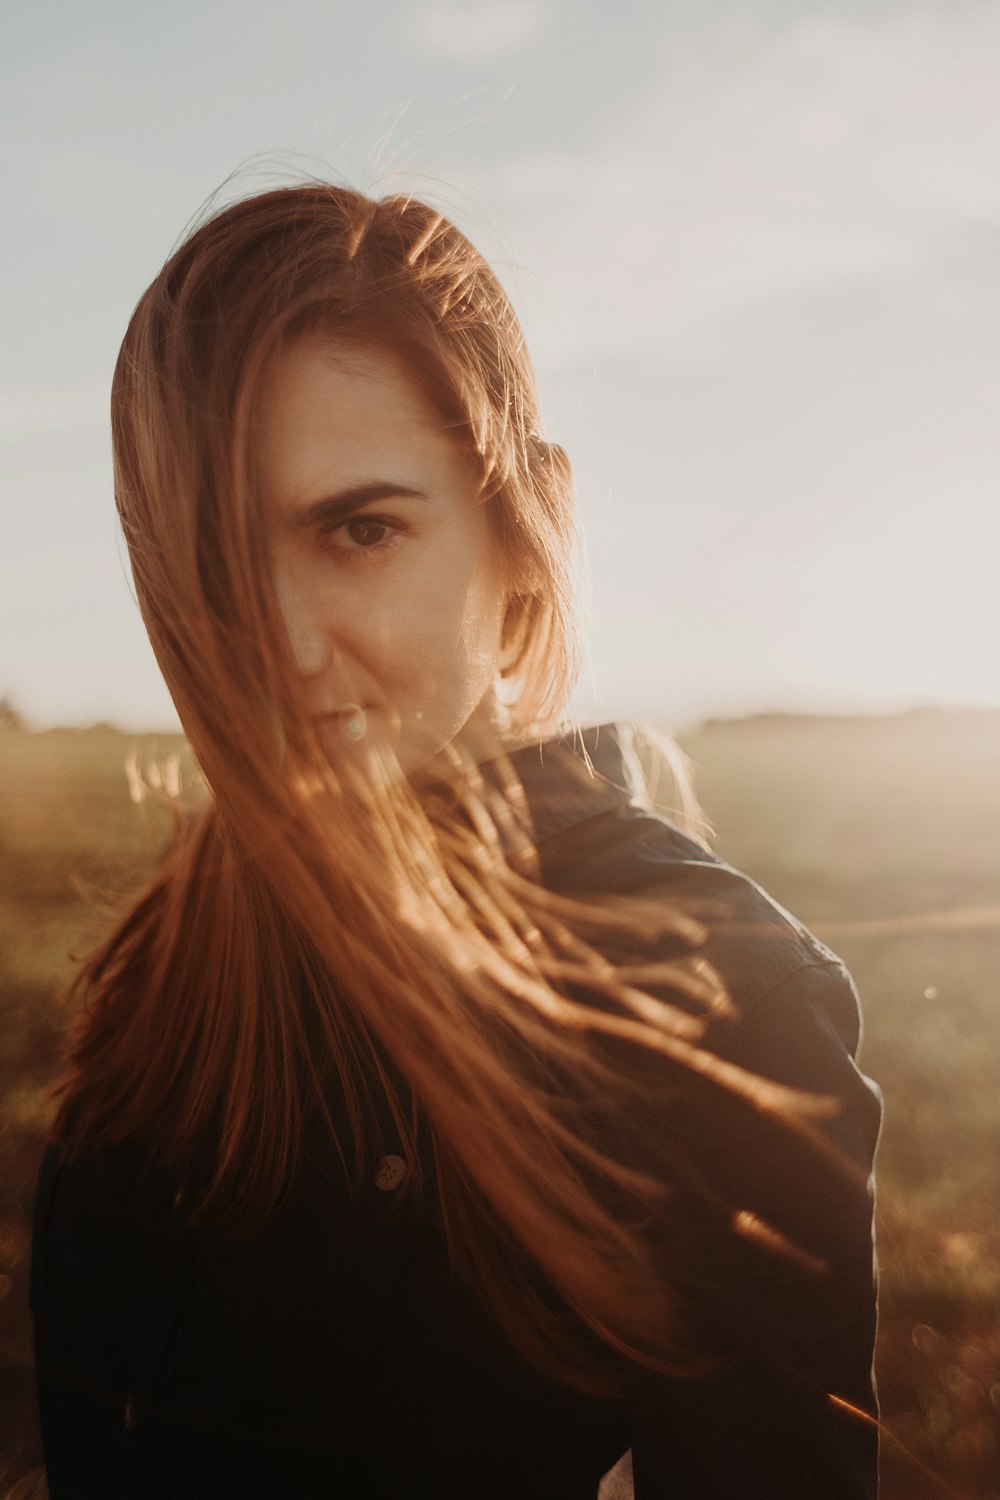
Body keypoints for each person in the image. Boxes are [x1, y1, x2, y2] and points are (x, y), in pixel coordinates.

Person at [30, 183, 881, 1499]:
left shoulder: (718, 1007)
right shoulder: (170, 958)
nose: (285, 646)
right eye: (215, 561)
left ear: (524, 529)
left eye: (361, 531)